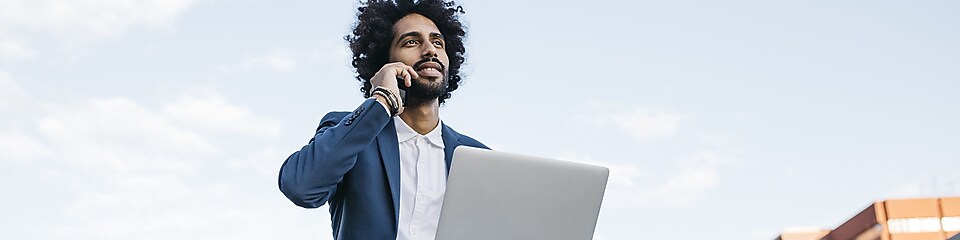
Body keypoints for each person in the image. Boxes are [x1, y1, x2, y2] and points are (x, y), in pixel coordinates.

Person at [277, 0, 487, 239]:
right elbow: (300, 187)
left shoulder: (477, 156)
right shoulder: (351, 133)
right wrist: (382, 100)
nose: (430, 50)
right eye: (411, 42)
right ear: (385, 62)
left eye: (438, 42)